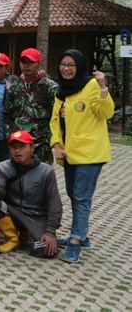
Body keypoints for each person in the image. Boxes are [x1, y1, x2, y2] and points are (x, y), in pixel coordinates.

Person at [50, 49, 113, 264]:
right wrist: (56, 143)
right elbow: (54, 121)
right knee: (73, 193)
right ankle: (82, 235)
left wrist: (104, 87)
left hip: (90, 153)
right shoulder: (61, 91)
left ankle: (76, 241)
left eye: (71, 65)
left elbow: (106, 113)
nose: (67, 69)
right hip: (68, 153)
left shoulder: (92, 85)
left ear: (80, 66)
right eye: (63, 64)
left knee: (81, 196)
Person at [0, 131, 62, 258]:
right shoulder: (2, 167)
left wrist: (50, 232)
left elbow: (54, 203)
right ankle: (13, 238)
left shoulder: (46, 171)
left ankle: (28, 234)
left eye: (22, 147)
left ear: (32, 148)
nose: (17, 151)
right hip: (13, 212)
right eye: (13, 147)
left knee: (45, 251)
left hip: (36, 217)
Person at [5, 48, 58, 165]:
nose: (26, 66)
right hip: (18, 144)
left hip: (41, 145)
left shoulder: (50, 87)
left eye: (31, 63)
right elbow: (7, 113)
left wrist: (54, 140)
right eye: (24, 62)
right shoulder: (14, 87)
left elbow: (57, 116)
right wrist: (9, 135)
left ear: (39, 63)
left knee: (41, 178)